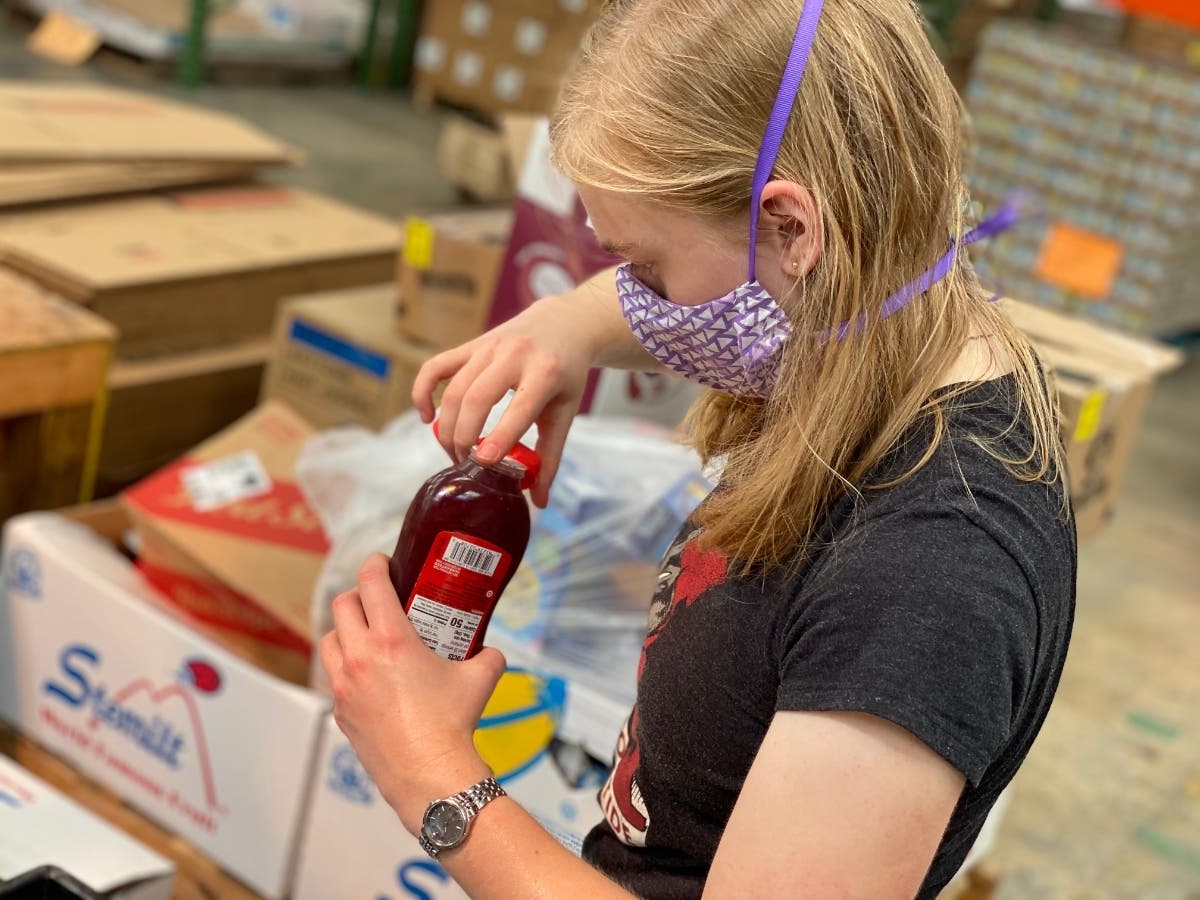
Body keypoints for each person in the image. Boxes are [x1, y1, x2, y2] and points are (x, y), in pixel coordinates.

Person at [318, 0, 1076, 896]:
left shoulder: (931, 574)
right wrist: (569, 323)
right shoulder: (885, 320)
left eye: (646, 269)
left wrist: (428, 769)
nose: (636, 297)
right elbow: (709, 272)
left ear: (791, 228)